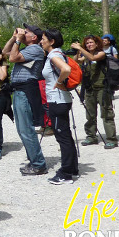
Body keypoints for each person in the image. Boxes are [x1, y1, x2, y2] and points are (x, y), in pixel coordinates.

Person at [2, 24, 48, 176]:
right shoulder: (26, 50)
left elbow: (13, 57)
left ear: (34, 37)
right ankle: (34, 159)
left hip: (25, 91)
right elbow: (5, 53)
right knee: (23, 129)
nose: (23, 32)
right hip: (20, 91)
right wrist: (14, 38)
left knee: (25, 129)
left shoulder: (34, 49)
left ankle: (38, 164)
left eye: (26, 32)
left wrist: (18, 40)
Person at [40, 29, 79, 185]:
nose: (41, 41)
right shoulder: (58, 53)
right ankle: (72, 168)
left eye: (43, 39)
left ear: (52, 41)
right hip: (61, 100)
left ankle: (66, 173)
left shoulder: (53, 55)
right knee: (66, 135)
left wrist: (58, 83)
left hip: (58, 101)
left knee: (62, 136)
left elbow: (66, 69)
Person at [71, 35, 118, 149]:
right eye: (87, 43)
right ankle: (91, 136)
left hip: (102, 88)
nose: (89, 45)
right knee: (90, 113)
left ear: (97, 44)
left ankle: (111, 139)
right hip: (90, 88)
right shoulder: (86, 56)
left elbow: (93, 58)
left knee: (106, 113)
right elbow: (76, 61)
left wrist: (81, 49)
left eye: (91, 42)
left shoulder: (101, 54)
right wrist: (78, 51)